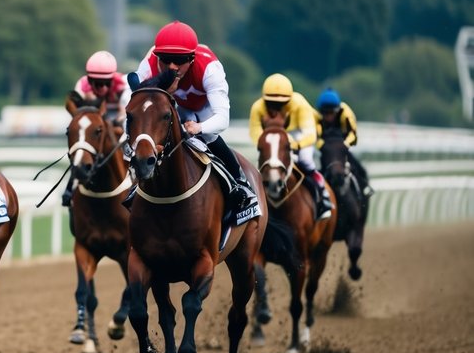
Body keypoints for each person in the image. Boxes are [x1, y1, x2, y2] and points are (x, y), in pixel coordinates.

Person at [130, 21, 259, 219]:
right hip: (172, 106)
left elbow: (222, 119)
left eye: (179, 60)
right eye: (165, 60)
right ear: (158, 56)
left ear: (192, 58)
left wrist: (199, 127)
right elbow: (134, 96)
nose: (172, 67)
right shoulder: (149, 63)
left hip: (204, 107)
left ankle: (240, 184)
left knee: (208, 135)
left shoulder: (209, 68)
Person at [249, 74, 333, 220]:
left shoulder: (299, 103)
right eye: (271, 103)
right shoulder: (257, 107)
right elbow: (255, 133)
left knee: (306, 161)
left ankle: (322, 195)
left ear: (290, 99)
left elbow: (310, 134)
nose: (276, 107)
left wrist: (293, 145)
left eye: (281, 103)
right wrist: (270, 147)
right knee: (263, 164)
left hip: (298, 133)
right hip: (273, 136)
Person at [63, 50, 131, 206]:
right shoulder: (81, 85)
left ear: (113, 79)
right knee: (81, 146)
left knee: (127, 138)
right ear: (89, 79)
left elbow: (124, 114)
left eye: (106, 83)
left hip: (116, 120)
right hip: (94, 122)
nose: (102, 87)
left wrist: (114, 124)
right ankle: (71, 187)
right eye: (97, 83)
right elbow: (77, 115)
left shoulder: (123, 84)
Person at [316, 87, 373, 197]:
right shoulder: (317, 117)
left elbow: (353, 134)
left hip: (341, 148)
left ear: (337, 111)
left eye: (331, 113)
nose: (328, 116)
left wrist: (345, 145)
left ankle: (364, 186)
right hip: (327, 149)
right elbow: (315, 135)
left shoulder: (346, 114)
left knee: (359, 168)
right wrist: (320, 145)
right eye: (325, 113)